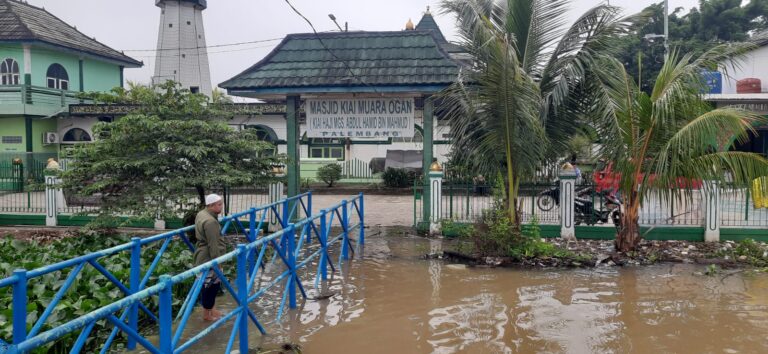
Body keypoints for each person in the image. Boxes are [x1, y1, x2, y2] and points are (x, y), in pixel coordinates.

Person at [193, 193, 226, 321]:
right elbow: (213, 244)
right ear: (211, 206)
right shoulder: (211, 221)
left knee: (210, 284)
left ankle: (211, 309)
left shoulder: (202, 214)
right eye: (219, 205)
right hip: (208, 257)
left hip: (201, 253)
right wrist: (217, 262)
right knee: (210, 285)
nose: (221, 207)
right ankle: (207, 315)